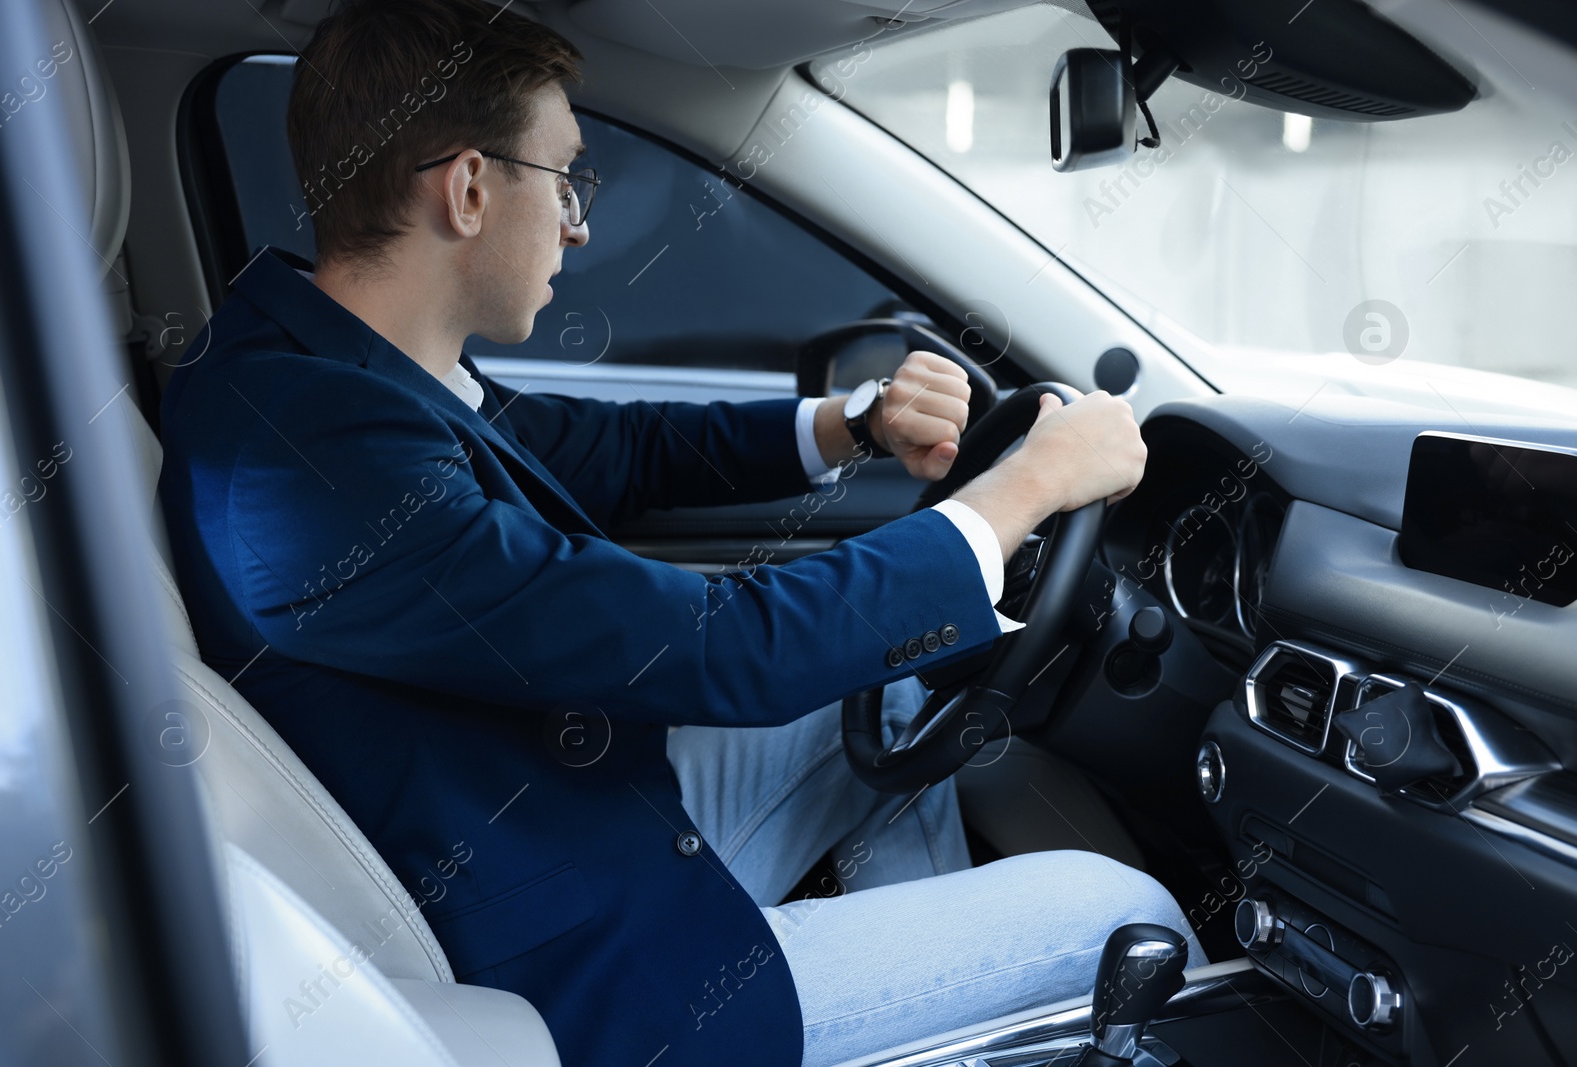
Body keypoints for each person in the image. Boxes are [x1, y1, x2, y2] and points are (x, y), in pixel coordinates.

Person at [156, 2, 1202, 1064]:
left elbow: (607, 450)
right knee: (1123, 910)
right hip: (575, 965)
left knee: (891, 693)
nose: (579, 223)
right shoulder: (318, 457)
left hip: (542, 822)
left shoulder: (316, 368)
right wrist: (1022, 490)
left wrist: (855, 422)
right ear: (469, 189)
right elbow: (715, 647)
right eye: (566, 177)